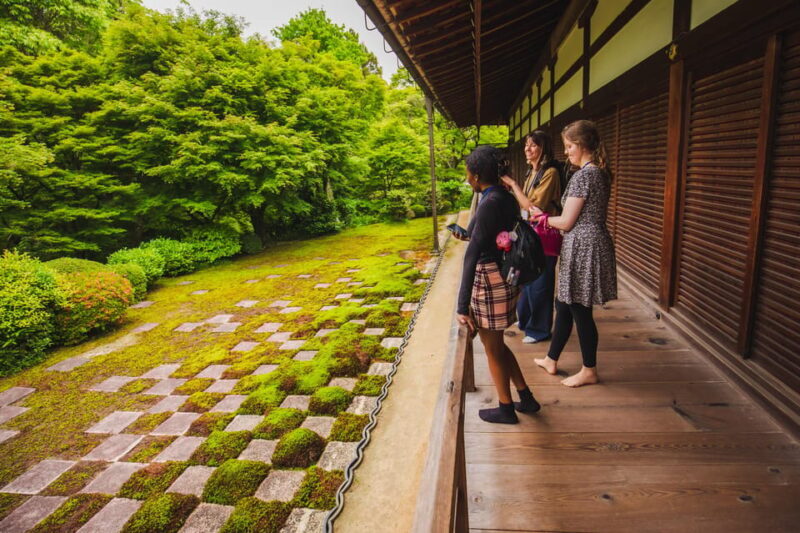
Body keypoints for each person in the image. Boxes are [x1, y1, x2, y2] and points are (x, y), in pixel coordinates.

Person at [456, 145, 540, 424]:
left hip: (489, 278)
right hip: (503, 275)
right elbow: (482, 235)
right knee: (499, 345)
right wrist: (467, 235)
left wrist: (461, 305)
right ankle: (525, 396)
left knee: (492, 349)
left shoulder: (489, 201)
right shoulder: (502, 196)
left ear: (477, 175)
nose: (467, 178)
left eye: (468, 173)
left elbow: (473, 254)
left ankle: (506, 408)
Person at [531, 120, 617, 387]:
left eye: (569, 146)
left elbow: (567, 221)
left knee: (580, 309)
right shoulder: (598, 172)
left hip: (583, 246)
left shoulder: (584, 176)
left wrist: (543, 219)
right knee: (564, 304)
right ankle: (551, 358)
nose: (566, 152)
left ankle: (589, 370)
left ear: (580, 146)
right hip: (587, 242)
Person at [501, 131, 562, 344]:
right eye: (526, 145)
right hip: (529, 233)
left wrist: (514, 186)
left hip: (544, 234)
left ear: (543, 148)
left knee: (542, 283)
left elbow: (535, 208)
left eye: (533, 145)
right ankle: (526, 320)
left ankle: (540, 330)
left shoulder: (551, 173)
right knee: (526, 278)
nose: (527, 149)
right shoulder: (531, 172)